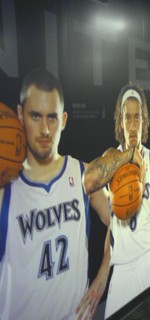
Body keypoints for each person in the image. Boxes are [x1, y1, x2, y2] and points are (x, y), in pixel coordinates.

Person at [0, 69, 110, 320]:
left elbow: (121, 222)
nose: (44, 129)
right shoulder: (6, 192)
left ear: (64, 120)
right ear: (19, 115)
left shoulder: (83, 176)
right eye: (35, 116)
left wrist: (103, 275)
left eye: (52, 117)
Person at [82, 83, 150, 318]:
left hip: (148, 261)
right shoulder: (112, 158)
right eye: (128, 118)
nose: (133, 125)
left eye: (137, 118)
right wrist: (104, 271)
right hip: (123, 269)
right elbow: (90, 181)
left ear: (144, 120)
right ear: (120, 122)